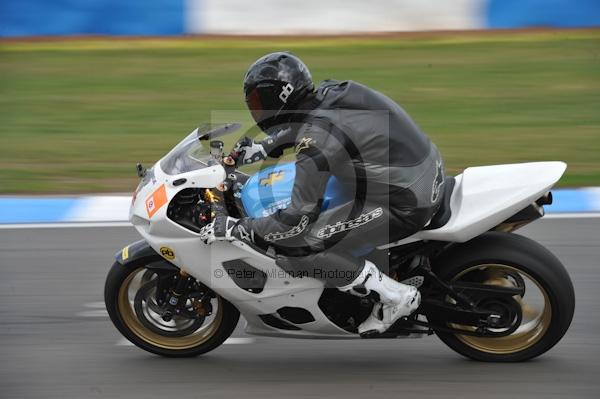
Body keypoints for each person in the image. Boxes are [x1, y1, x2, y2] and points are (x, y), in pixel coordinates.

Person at [199, 52, 445, 335]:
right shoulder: (331, 92)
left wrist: (239, 227)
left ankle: (394, 296)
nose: (255, 111)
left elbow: (295, 222)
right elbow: (314, 126)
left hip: (405, 202)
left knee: (300, 246)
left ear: (279, 98)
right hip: (421, 173)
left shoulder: (315, 143)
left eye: (257, 102)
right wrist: (264, 146)